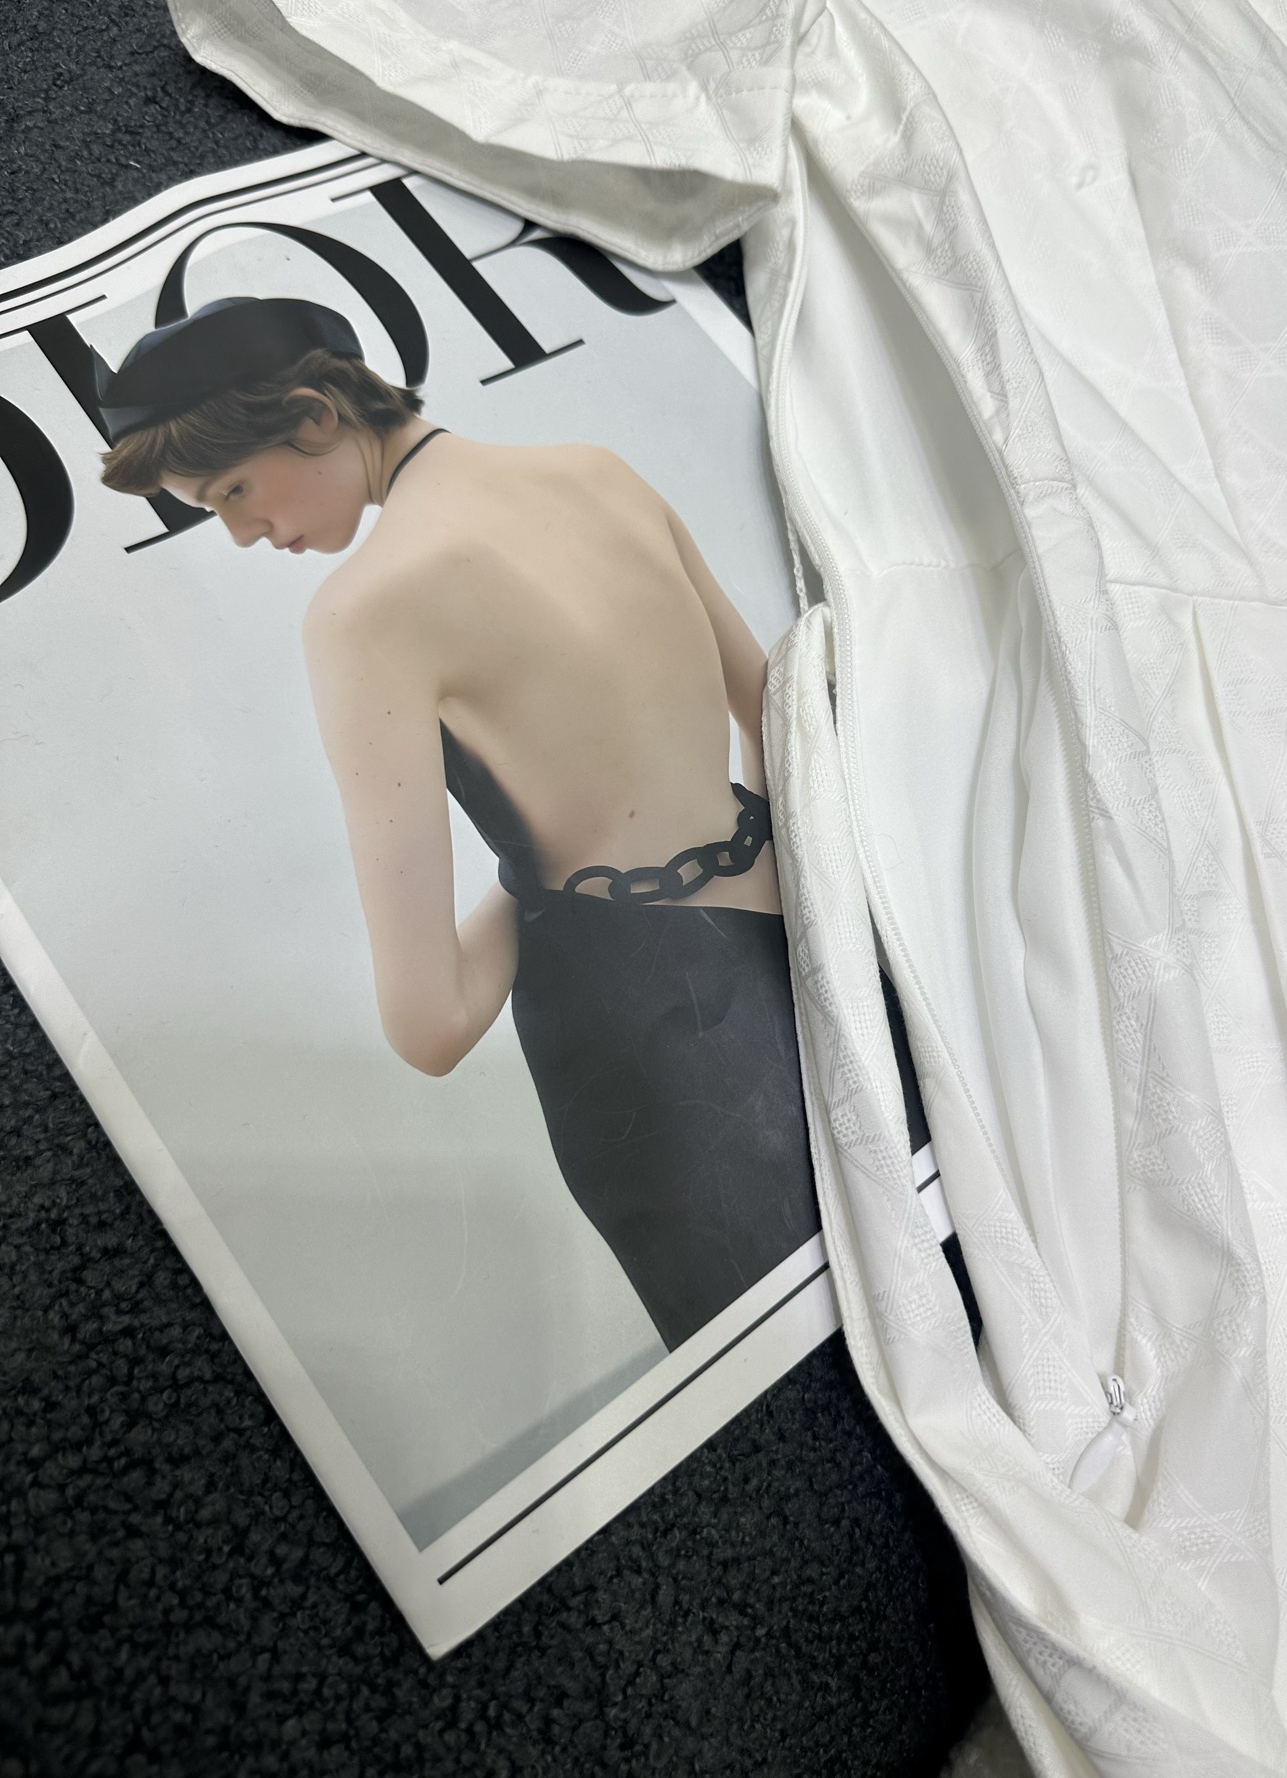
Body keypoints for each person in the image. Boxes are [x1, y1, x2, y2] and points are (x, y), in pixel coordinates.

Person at [97, 295, 820, 1351]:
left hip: (658, 1066)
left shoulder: (363, 615)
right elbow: (781, 724)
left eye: (233, 492)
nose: (244, 534)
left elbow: (429, 1024)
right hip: (812, 952)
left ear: (314, 415)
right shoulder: (597, 473)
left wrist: (546, 882)